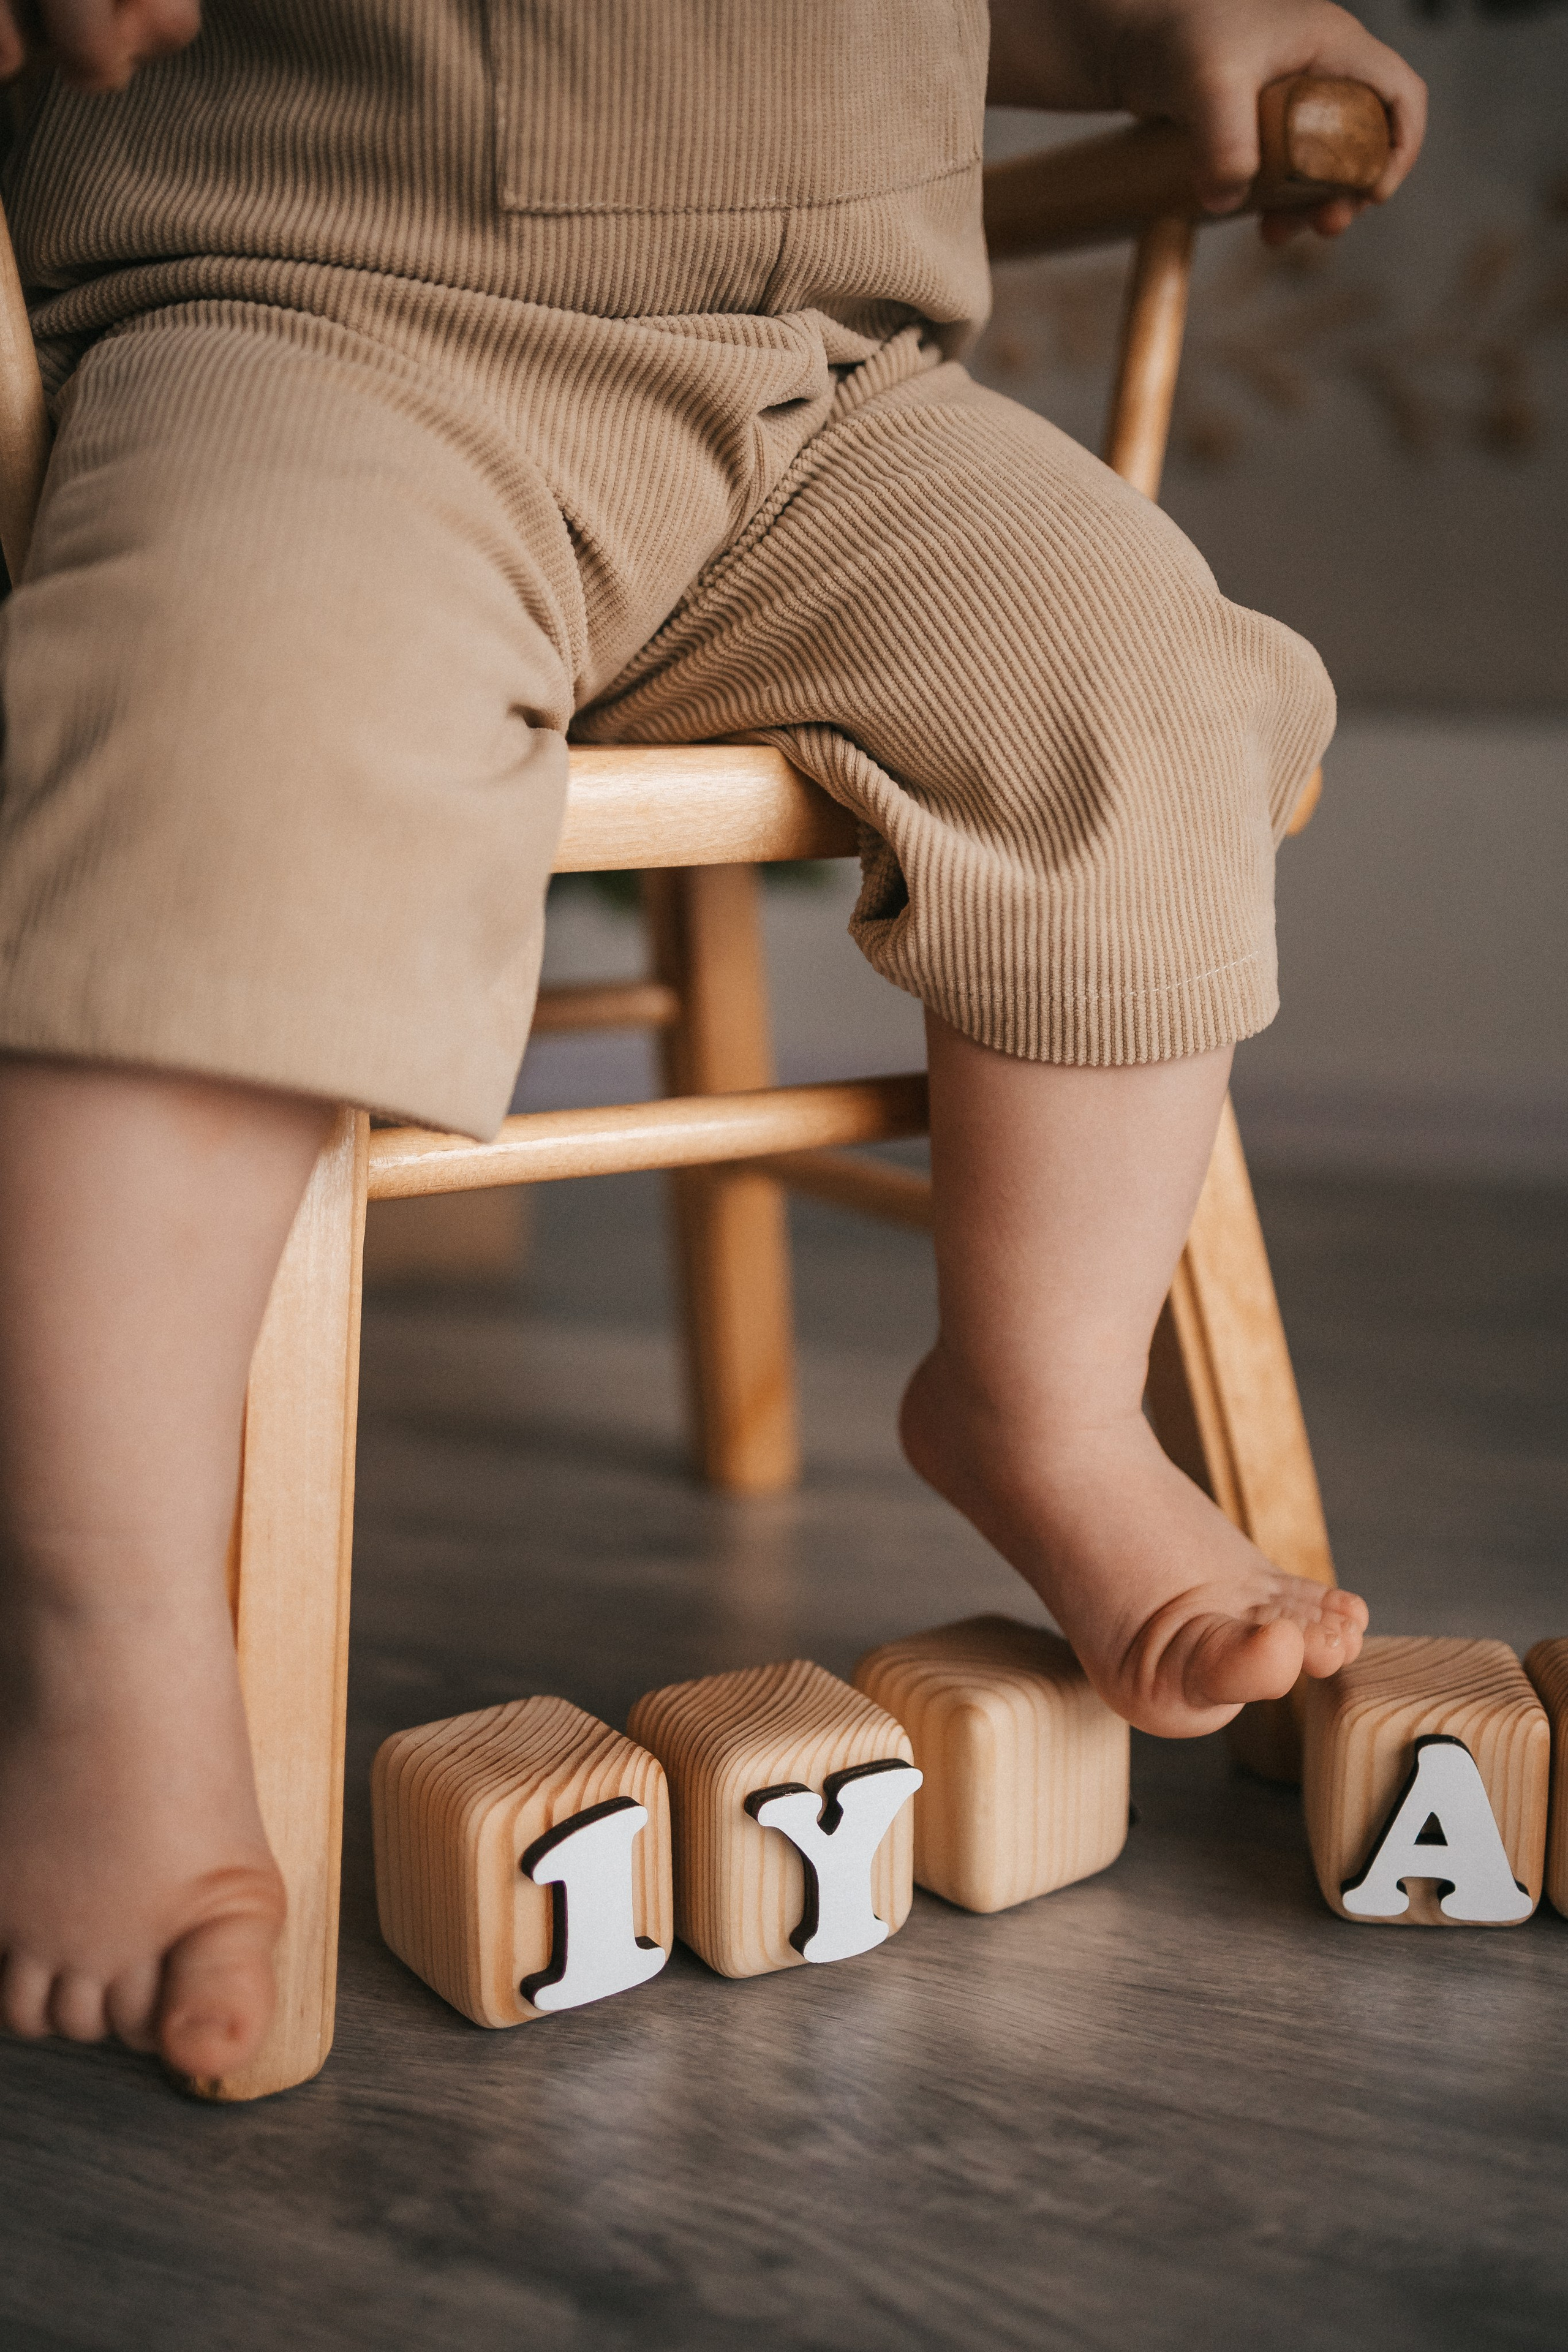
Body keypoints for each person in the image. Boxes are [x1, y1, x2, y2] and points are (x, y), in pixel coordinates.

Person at [0, 0, 1425, 2081]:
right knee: (222, 759)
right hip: (308, 321)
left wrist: (1163, 29)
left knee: (1136, 677)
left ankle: (1041, 1405)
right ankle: (105, 1639)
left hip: (826, 393)